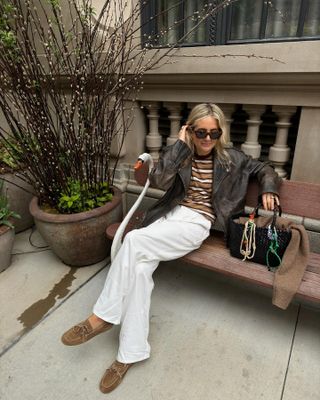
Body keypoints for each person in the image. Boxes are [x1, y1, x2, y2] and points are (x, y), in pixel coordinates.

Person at [61, 103, 281, 393]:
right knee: (139, 271)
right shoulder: (181, 153)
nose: (207, 139)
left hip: (197, 223)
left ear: (220, 133)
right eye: (200, 132)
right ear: (190, 130)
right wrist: (179, 146)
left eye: (214, 133)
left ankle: (102, 316)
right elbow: (158, 180)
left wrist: (268, 188)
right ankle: (129, 353)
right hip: (169, 215)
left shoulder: (233, 158)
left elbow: (266, 168)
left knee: (134, 240)